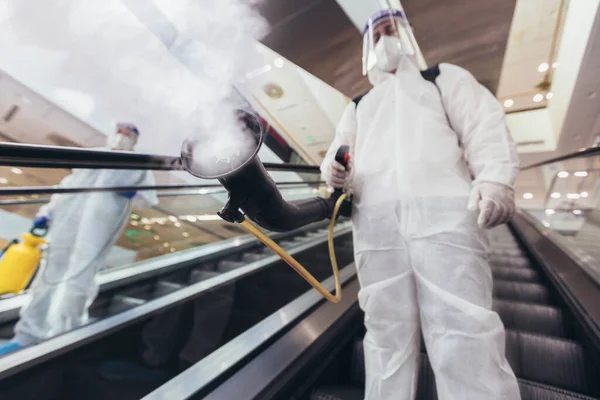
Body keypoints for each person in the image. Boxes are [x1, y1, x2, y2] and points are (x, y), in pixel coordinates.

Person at [321, 9, 520, 400]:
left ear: (407, 34)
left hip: (445, 217)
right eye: (376, 34)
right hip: (375, 224)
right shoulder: (359, 106)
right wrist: (336, 171)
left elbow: (484, 125)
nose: (383, 38)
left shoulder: (442, 78)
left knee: (464, 328)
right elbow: (336, 155)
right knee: (384, 332)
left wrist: (495, 178)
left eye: (390, 29)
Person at [0, 123, 158, 356]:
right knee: (47, 277)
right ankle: (27, 335)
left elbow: (148, 199)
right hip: (67, 222)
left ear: (135, 139)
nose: (122, 136)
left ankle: (65, 335)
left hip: (98, 229)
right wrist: (47, 211)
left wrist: (134, 192)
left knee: (79, 281)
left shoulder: (139, 165)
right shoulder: (96, 154)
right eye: (119, 131)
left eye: (128, 133)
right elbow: (68, 185)